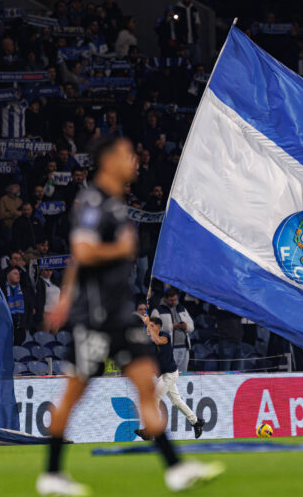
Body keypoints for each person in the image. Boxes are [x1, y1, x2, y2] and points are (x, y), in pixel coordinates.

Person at [37, 138, 223, 495]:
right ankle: (51, 474)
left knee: (145, 385)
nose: (135, 160)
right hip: (95, 318)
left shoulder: (118, 204)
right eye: (127, 154)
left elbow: (78, 262)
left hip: (121, 315)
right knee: (73, 394)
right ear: (108, 160)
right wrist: (117, 251)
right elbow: (82, 250)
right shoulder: (93, 202)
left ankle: (175, 469)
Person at [135, 317, 206, 440]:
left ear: (158, 328)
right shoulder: (150, 341)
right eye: (148, 326)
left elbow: (158, 341)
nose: (148, 328)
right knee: (177, 402)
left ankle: (150, 430)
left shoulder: (165, 336)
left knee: (154, 398)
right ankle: (196, 422)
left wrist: (146, 322)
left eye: (152, 326)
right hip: (163, 375)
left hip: (171, 374)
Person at [151, 288, 195, 372]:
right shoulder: (158, 310)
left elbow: (191, 326)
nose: (174, 302)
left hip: (184, 347)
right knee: (170, 374)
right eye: (171, 300)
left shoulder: (182, 309)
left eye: (175, 300)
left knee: (183, 374)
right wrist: (171, 327)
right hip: (169, 348)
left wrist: (186, 327)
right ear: (166, 299)